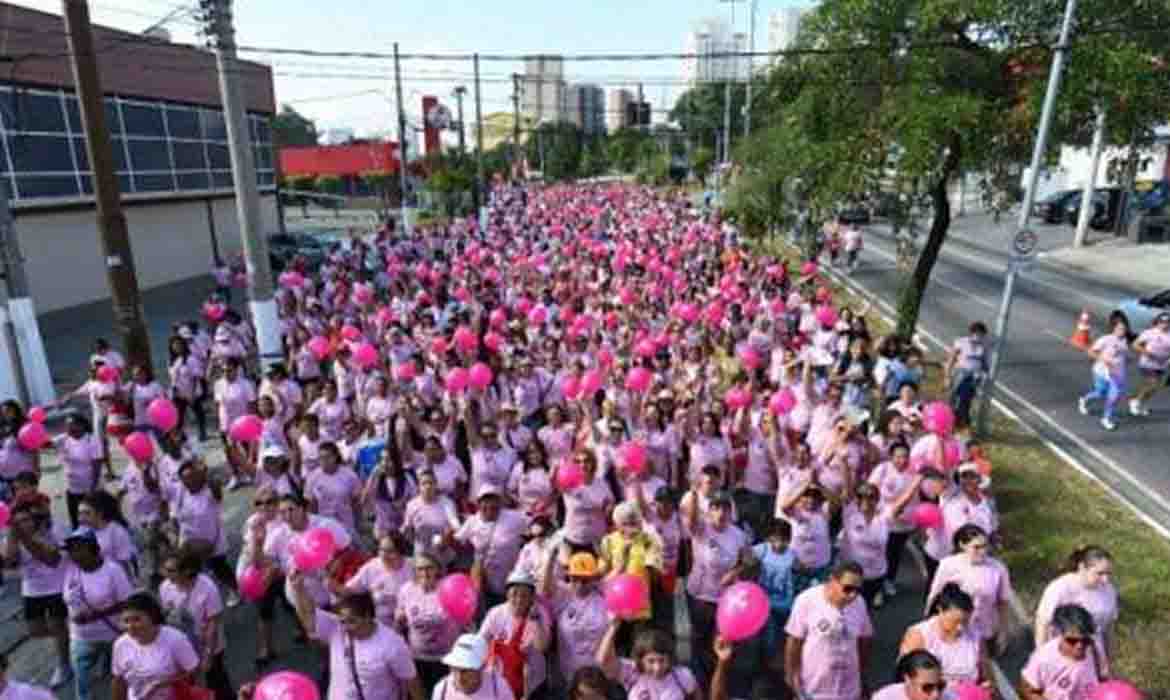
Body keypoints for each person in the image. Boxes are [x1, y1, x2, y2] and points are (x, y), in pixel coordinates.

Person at [289, 573, 424, 700]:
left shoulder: (392, 644)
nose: (345, 627)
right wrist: (298, 589)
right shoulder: (336, 628)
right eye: (343, 621)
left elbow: (410, 680)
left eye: (352, 621)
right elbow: (309, 618)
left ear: (367, 617)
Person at [683, 489, 749, 686]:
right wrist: (694, 495)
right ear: (709, 511)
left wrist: (735, 573)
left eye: (725, 508)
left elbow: (747, 560)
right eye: (716, 507)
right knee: (698, 639)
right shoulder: (701, 528)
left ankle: (716, 679)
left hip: (724, 599)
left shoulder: (738, 535)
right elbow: (692, 520)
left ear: (731, 512)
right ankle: (697, 681)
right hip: (700, 596)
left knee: (720, 640)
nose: (721, 513)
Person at [3, 496, 72, 687]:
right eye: (17, 522)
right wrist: (12, 539)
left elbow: (51, 559)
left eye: (25, 520)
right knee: (35, 630)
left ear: (35, 518)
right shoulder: (13, 536)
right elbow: (10, 563)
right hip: (31, 589)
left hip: (58, 585)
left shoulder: (55, 529)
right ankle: (69, 636)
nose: (22, 525)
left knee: (57, 624)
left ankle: (64, 665)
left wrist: (26, 539)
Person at [61, 527, 135, 700]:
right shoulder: (72, 570)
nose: (73, 554)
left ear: (93, 548)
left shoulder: (113, 570)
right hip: (80, 637)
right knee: (82, 682)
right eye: (71, 550)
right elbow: (68, 599)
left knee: (119, 678)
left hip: (112, 635)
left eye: (78, 549)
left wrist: (95, 615)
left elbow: (127, 602)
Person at [784, 561, 873, 700]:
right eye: (848, 589)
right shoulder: (806, 601)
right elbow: (794, 641)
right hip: (813, 688)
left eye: (858, 590)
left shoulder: (860, 603)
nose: (853, 595)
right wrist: (791, 674)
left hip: (848, 689)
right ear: (832, 581)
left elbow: (864, 639)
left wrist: (861, 672)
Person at [925, 524, 1016, 652]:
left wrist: (1003, 633)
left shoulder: (998, 569)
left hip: (984, 630)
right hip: (954, 627)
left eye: (985, 546)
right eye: (977, 547)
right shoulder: (948, 565)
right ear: (963, 545)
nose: (983, 552)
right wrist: (928, 624)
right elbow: (935, 595)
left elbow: (1003, 602)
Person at [159, 550, 233, 700]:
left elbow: (213, 623)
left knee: (216, 681)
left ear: (187, 571)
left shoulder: (207, 588)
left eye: (171, 571)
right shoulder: (165, 587)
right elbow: (167, 614)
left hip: (209, 645)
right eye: (165, 569)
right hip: (183, 646)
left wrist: (208, 655)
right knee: (188, 686)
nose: (165, 574)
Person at [1034, 546, 1117, 675]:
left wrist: (1108, 660)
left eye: (1108, 574)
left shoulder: (1108, 591)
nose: (1105, 580)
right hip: (1063, 654)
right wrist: (1042, 658)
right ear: (1082, 568)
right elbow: (1042, 623)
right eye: (1100, 573)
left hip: (1092, 655)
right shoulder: (1061, 588)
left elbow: (1109, 627)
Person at [395, 552, 464, 691]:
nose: (424, 573)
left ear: (437, 569)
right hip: (417, 659)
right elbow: (400, 621)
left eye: (429, 567)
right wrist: (399, 618)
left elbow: (464, 620)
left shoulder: (449, 588)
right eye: (420, 568)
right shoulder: (407, 590)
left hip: (446, 659)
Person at [478, 570, 550, 699]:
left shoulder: (540, 613)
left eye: (524, 595)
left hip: (533, 684)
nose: (519, 599)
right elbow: (480, 641)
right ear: (507, 594)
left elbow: (542, 647)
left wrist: (536, 620)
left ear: (532, 597)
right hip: (501, 681)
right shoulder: (496, 613)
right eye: (514, 593)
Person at [900, 583, 988, 685]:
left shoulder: (976, 636)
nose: (960, 627)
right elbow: (906, 675)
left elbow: (985, 673)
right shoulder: (919, 635)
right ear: (940, 610)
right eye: (955, 621)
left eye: (965, 622)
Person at [598, 501, 662, 633]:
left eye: (633, 522)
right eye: (625, 523)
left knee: (638, 646)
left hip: (640, 608)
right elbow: (602, 576)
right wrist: (621, 565)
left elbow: (655, 573)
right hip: (615, 606)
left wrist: (654, 563)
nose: (630, 527)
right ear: (617, 524)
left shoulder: (648, 540)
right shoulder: (608, 541)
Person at [597, 621, 701, 700]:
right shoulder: (631, 672)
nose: (657, 667)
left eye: (662, 660)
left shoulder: (682, 675)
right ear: (640, 659)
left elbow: (697, 696)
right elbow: (603, 660)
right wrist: (613, 628)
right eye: (651, 661)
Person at [1019, 604, 1101, 700]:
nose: (1080, 646)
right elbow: (1027, 690)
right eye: (1072, 641)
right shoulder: (1044, 659)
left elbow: (1101, 677)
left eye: (1086, 640)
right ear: (1058, 634)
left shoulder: (1093, 649)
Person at [339, 533, 414, 626]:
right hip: (384, 626)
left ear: (401, 552)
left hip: (411, 623)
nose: (384, 555)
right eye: (381, 550)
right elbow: (350, 589)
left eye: (390, 551)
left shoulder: (413, 567)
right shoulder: (372, 567)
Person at [751, 519, 795, 669]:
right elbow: (745, 557)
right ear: (769, 538)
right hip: (764, 602)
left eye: (784, 540)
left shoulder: (792, 555)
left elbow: (801, 571)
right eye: (776, 539)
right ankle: (764, 663)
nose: (779, 544)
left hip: (785, 603)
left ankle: (771, 661)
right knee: (768, 635)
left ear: (789, 540)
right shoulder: (762, 550)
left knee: (781, 634)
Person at [1078, 317, 1131, 431]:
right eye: (1120, 328)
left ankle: (1106, 418)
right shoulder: (1105, 339)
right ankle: (1084, 399)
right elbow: (1091, 352)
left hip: (1116, 374)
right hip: (1101, 371)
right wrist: (1103, 360)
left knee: (1114, 396)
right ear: (1114, 328)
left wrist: (1124, 363)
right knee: (1100, 393)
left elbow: (1123, 356)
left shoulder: (1124, 341)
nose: (1122, 331)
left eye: (1124, 329)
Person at [431, 634, 515, 700]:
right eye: (455, 668)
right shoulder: (441, 690)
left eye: (466, 670)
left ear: (482, 667)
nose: (459, 677)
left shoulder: (499, 687)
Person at [944, 322, 988, 428]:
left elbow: (985, 363)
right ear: (972, 333)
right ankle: (949, 420)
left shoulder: (983, 347)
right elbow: (951, 359)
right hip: (960, 374)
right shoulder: (961, 342)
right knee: (952, 398)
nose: (979, 336)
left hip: (973, 377)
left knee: (966, 399)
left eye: (981, 335)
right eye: (977, 333)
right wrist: (947, 376)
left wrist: (983, 375)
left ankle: (962, 421)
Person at [1129, 311, 1170, 416]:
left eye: (1167, 322)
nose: (1165, 324)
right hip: (1147, 363)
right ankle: (1135, 402)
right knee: (1153, 383)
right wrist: (1147, 353)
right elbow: (1135, 344)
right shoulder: (1149, 333)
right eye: (1162, 322)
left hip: (1162, 365)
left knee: (1154, 387)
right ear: (1157, 322)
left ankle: (1139, 403)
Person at [870, 650, 947, 700]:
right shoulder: (885, 698)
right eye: (928, 687)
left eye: (940, 686)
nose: (936, 695)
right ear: (908, 680)